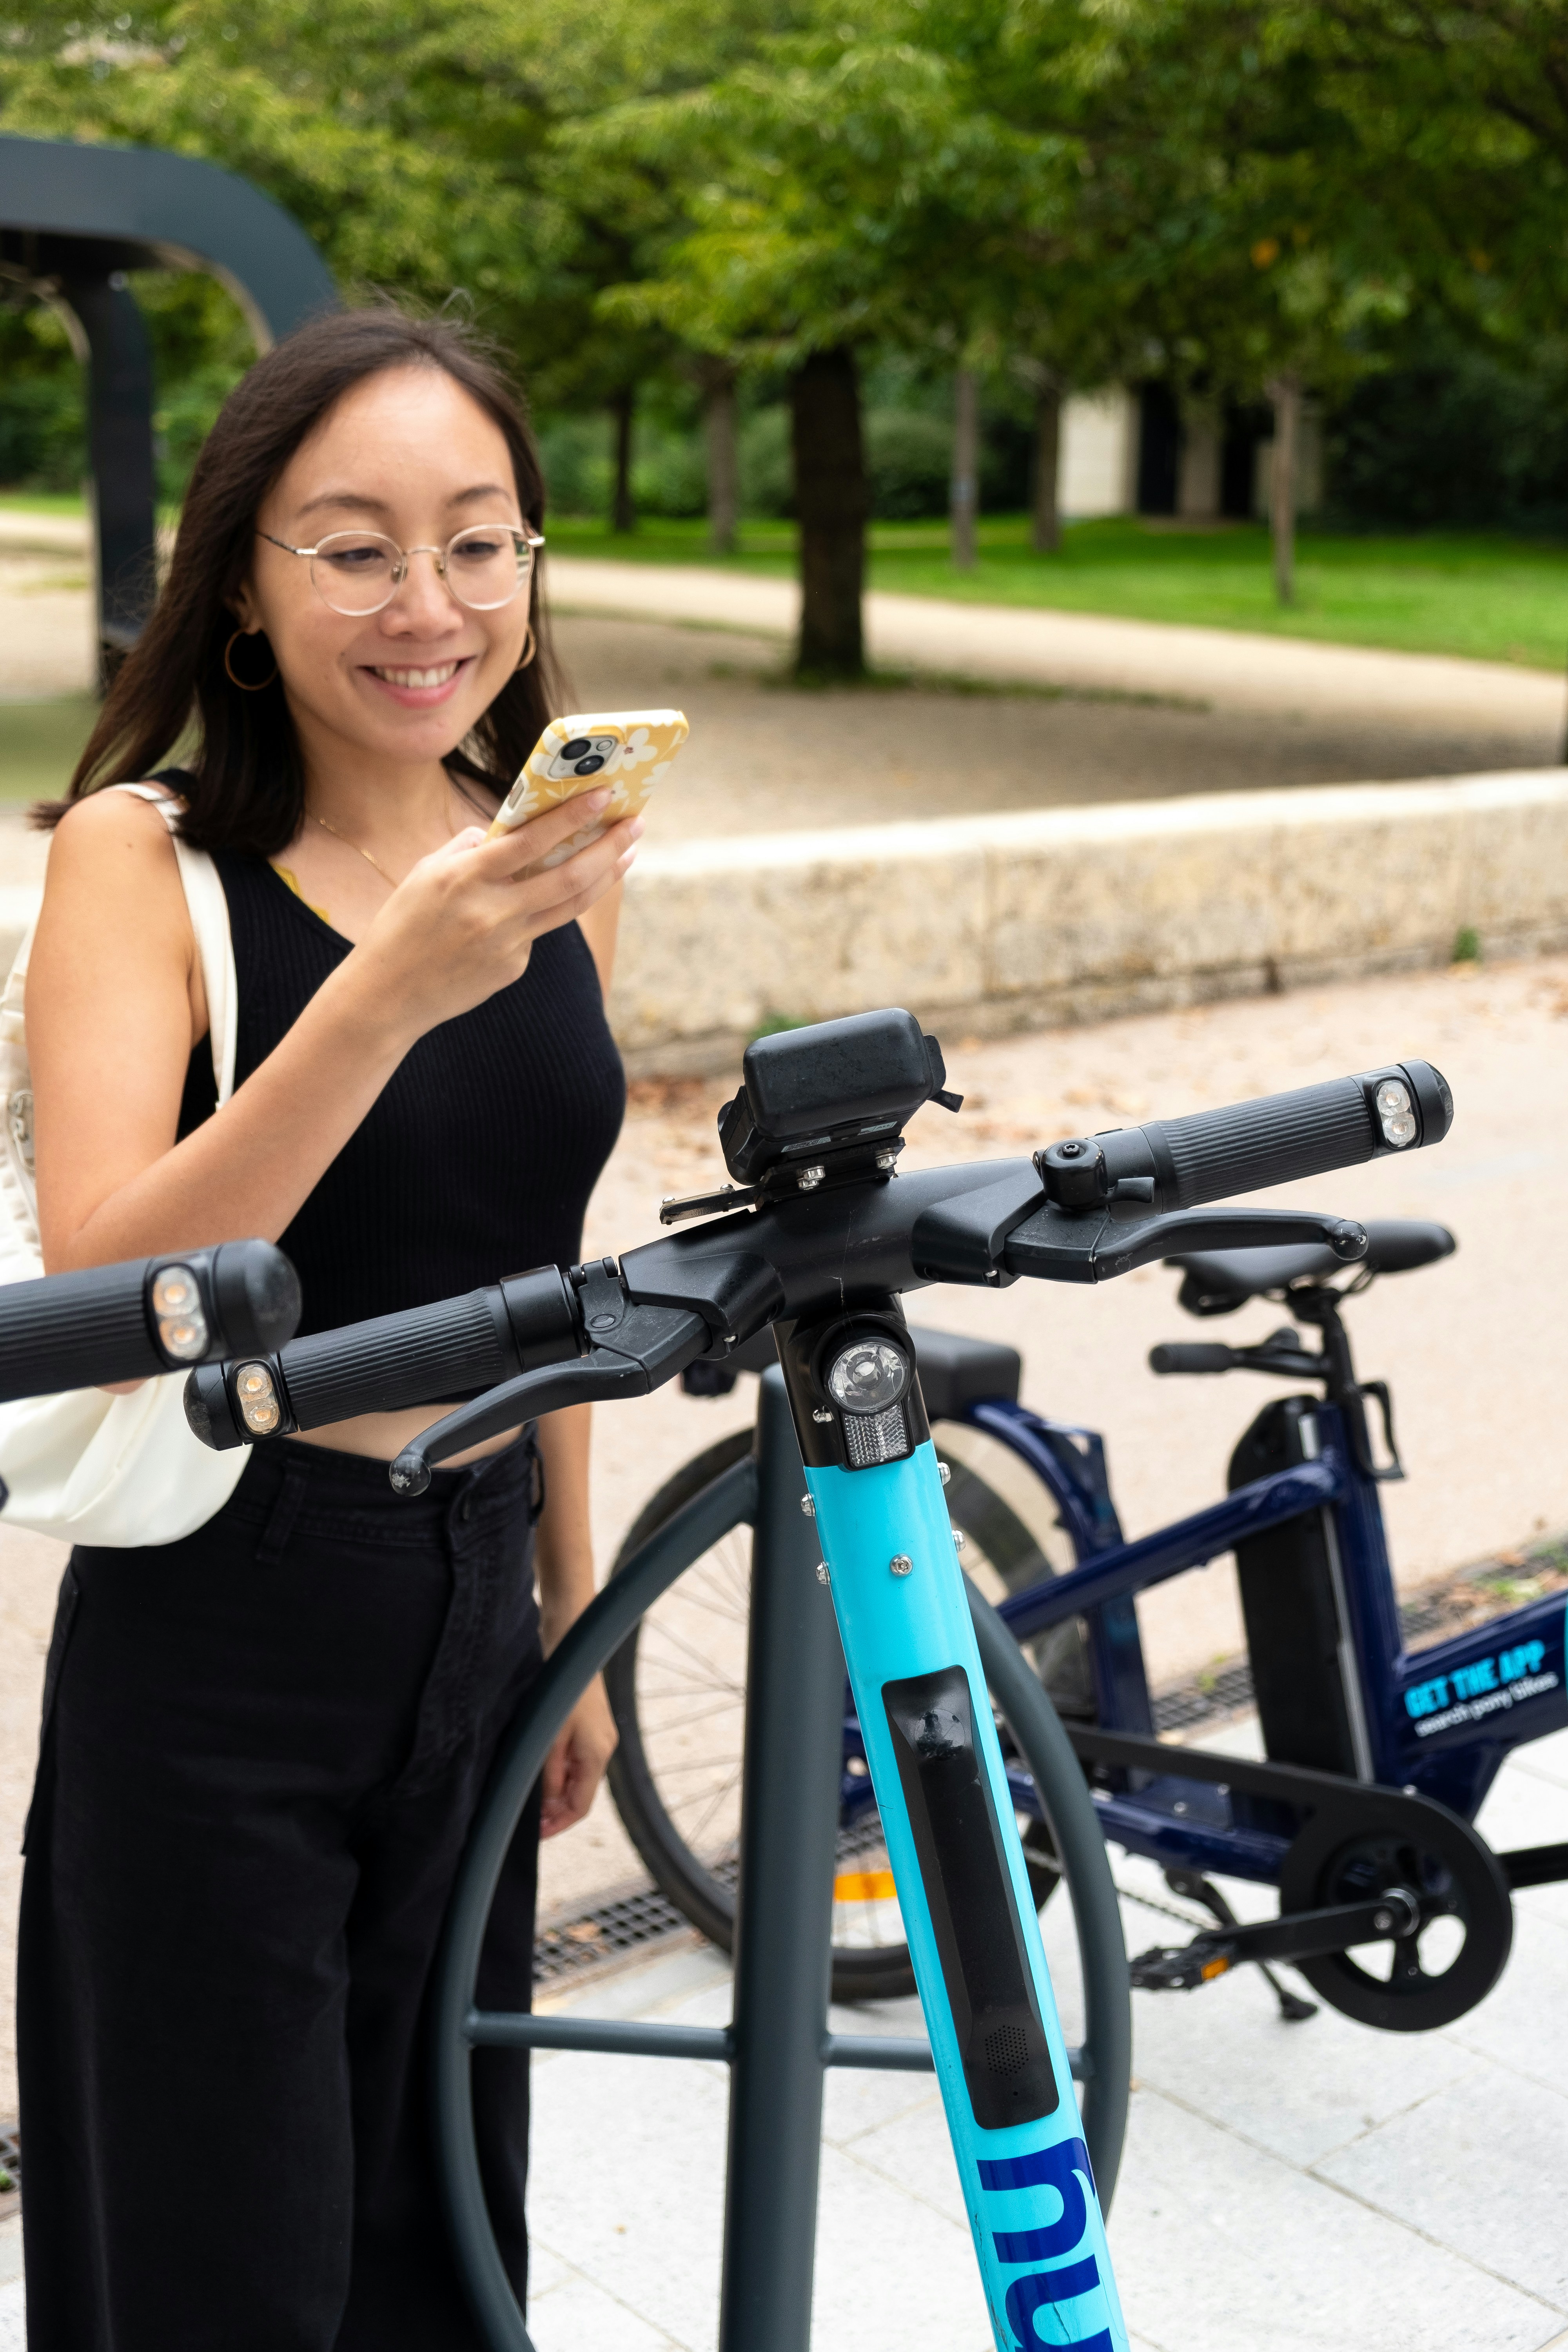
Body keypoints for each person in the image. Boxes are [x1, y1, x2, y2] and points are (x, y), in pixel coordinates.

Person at [17, 303, 637, 2349]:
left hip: (473, 1614)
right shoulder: (141, 857)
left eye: (480, 539)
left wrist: (573, 1613)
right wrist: (387, 987)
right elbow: (112, 1299)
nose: (429, 600)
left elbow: (546, 1262)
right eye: (354, 545)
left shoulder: (544, 851)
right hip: (225, 1625)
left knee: (443, 2257)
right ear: (245, 587)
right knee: (223, 2275)